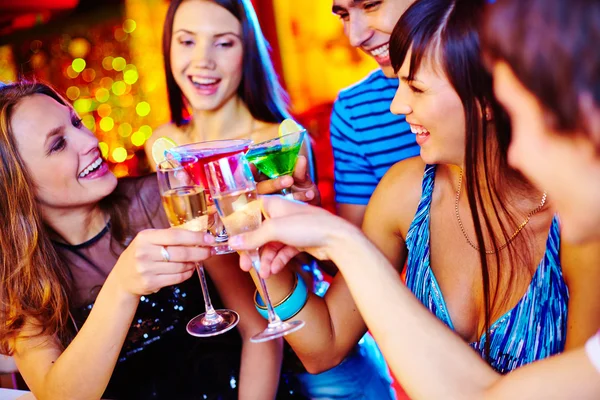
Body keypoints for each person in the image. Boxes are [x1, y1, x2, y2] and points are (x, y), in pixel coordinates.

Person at [228, 0, 600, 397]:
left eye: (416, 87)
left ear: (490, 99)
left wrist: (340, 240)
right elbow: (325, 346)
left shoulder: (578, 225)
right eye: (400, 83)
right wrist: (261, 246)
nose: (396, 105)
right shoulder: (403, 191)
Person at [148, 0, 395, 398]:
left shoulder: (278, 140)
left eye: (223, 43)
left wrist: (305, 231)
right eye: (187, 41)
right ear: (168, 49)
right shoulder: (164, 146)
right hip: (228, 359)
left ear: (248, 50)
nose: (203, 60)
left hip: (311, 351)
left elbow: (326, 264)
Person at [0, 81, 287, 399]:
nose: (89, 140)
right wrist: (122, 286)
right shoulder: (18, 273)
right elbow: (58, 395)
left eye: (76, 122)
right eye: (57, 145)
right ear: (17, 187)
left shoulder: (169, 200)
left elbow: (259, 330)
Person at [329, 0, 420, 227]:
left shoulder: (512, 72)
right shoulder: (354, 111)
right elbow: (360, 250)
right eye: (344, 16)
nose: (355, 38)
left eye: (371, 5)